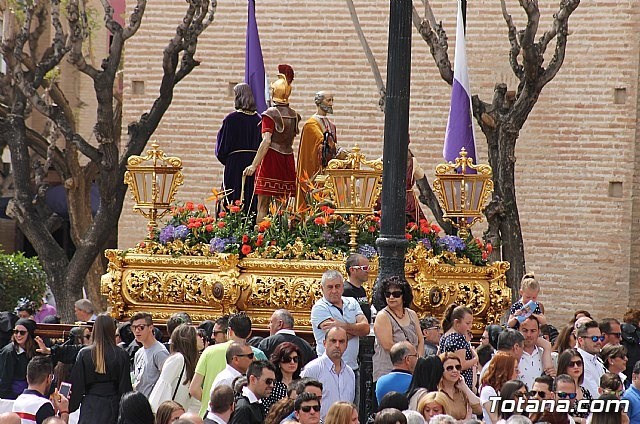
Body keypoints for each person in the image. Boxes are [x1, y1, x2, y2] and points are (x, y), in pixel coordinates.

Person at [243, 64, 301, 221]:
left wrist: (254, 165)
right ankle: (281, 239)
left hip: (271, 160)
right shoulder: (295, 115)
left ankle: (261, 239)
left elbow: (266, 140)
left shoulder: (270, 114)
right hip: (287, 160)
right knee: (283, 206)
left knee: (262, 205)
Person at [190, 313, 267, 417]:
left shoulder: (209, 351)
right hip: (239, 415)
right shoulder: (254, 356)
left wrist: (208, 400)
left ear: (229, 331)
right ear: (250, 333)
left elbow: (194, 388)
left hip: (209, 414)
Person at [310, 270, 368, 405]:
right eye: (330, 287)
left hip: (352, 368)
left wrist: (341, 325)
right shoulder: (319, 308)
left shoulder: (352, 302)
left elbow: (365, 328)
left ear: (343, 286)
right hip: (327, 369)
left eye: (338, 286)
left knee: (350, 410)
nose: (334, 291)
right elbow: (336, 336)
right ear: (322, 288)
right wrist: (355, 329)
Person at [69, 314, 133, 423]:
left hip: (91, 406)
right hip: (113, 406)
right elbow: (125, 387)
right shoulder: (121, 355)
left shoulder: (85, 354)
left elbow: (77, 386)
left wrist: (69, 408)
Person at [215, 83, 262, 214]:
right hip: (253, 164)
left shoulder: (231, 119)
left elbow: (222, 148)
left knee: (232, 196)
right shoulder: (259, 119)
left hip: (234, 164)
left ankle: (231, 225)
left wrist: (229, 160)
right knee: (250, 197)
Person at [373, 276, 424, 385]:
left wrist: (418, 359)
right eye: (387, 294)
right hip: (389, 372)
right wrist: (409, 357)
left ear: (404, 296)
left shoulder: (412, 314)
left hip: (412, 371)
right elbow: (388, 345)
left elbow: (420, 340)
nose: (391, 297)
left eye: (396, 294)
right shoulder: (382, 316)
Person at [295, 91, 340, 210]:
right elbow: (323, 143)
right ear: (319, 102)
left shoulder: (331, 125)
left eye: (332, 100)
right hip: (316, 171)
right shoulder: (311, 124)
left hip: (329, 172)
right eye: (328, 100)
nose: (331, 104)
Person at [301, 326, 356, 419]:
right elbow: (302, 403)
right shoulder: (312, 369)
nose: (337, 345)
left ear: (346, 345)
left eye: (341, 341)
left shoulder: (350, 373)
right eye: (333, 341)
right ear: (324, 343)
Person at [149, 324, 199, 413]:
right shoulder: (178, 359)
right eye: (197, 336)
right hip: (169, 416)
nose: (200, 338)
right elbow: (162, 387)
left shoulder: (191, 362)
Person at [12, 356, 69, 424]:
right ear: (49, 378)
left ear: (27, 377)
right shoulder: (43, 405)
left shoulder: (18, 401)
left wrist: (54, 410)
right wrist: (64, 412)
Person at [439, 304, 478, 390]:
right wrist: (475, 359)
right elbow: (461, 365)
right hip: (459, 385)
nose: (470, 327)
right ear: (457, 322)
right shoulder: (458, 339)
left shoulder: (445, 336)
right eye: (467, 323)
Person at [131, 312, 170, 397]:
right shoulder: (139, 353)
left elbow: (166, 381)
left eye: (141, 327)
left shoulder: (160, 352)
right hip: (139, 401)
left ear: (150, 327)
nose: (137, 331)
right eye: (134, 328)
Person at [0, 318, 38, 399]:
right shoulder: (9, 352)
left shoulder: (34, 349)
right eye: (16, 332)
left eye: (22, 332)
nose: (18, 335)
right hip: (12, 396)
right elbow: (4, 380)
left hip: (28, 393)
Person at [437, 352, 482, 420]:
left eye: (458, 367)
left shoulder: (462, 391)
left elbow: (480, 410)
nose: (455, 370)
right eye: (450, 368)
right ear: (441, 370)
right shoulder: (436, 392)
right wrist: (464, 422)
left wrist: (465, 387)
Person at [262, 342, 304, 413]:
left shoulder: (303, 383)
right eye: (287, 359)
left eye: (295, 359)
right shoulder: (271, 385)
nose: (292, 362)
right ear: (278, 361)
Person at [480, 351, 519, 424]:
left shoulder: (506, 390)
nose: (519, 372)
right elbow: (496, 420)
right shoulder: (488, 391)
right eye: (515, 369)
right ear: (506, 370)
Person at [517, 315, 555, 389]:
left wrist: (547, 346)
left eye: (533, 331)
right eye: (525, 330)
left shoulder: (545, 354)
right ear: (519, 331)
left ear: (538, 332)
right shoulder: (514, 355)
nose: (529, 335)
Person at [556, 348, 591, 424]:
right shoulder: (558, 391)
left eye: (579, 363)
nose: (576, 367)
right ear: (564, 367)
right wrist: (579, 420)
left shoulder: (586, 392)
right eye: (571, 364)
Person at [575, 320, 606, 398]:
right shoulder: (579, 362)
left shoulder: (598, 360)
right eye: (594, 338)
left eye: (601, 338)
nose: (599, 342)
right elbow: (595, 395)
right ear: (581, 340)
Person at [343, 253, 372, 324]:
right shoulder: (346, 291)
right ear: (352, 270)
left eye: (368, 268)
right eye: (364, 268)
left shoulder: (361, 289)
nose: (368, 271)